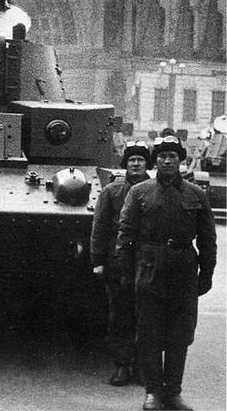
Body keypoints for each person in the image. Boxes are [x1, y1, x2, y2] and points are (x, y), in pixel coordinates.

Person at [116, 136, 217, 411]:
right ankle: (153, 392)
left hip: (184, 269)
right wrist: (127, 272)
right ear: (155, 161)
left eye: (173, 156)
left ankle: (173, 392)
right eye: (162, 156)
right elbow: (125, 235)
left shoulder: (195, 194)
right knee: (148, 333)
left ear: (180, 160)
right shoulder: (140, 192)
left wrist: (206, 273)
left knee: (179, 335)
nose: (168, 161)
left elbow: (207, 237)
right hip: (150, 267)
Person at [90, 141, 152, 386]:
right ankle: (122, 365)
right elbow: (100, 228)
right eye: (132, 160)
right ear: (125, 164)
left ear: (147, 164)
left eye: (140, 160)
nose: (136, 164)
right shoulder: (112, 192)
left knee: (148, 316)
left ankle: (142, 367)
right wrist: (97, 261)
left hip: (149, 262)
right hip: (119, 262)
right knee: (121, 315)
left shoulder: (158, 190)